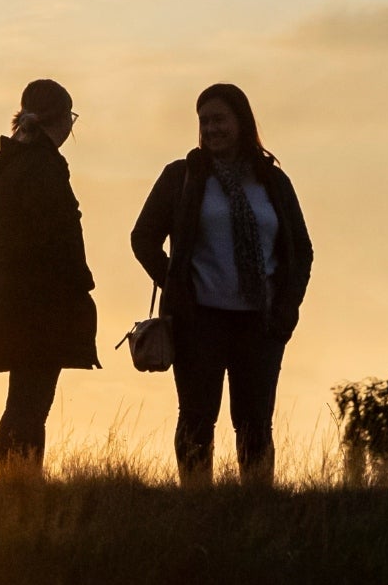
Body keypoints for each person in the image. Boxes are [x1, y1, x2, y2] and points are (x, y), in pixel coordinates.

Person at [130, 84, 313, 488]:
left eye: (219, 119)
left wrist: (287, 308)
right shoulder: (183, 177)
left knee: (255, 424)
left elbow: (300, 250)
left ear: (242, 122)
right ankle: (197, 503)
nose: (211, 129)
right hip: (199, 321)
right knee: (197, 418)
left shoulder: (272, 182)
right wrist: (177, 286)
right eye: (204, 121)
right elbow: (143, 238)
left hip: (261, 324)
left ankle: (256, 506)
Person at [0, 79, 99, 480]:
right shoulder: (43, 166)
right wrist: (78, 283)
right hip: (42, 304)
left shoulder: (9, 163)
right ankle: (22, 486)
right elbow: (55, 237)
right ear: (64, 119)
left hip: (15, 299)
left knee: (24, 400)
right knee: (31, 404)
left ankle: (18, 484)